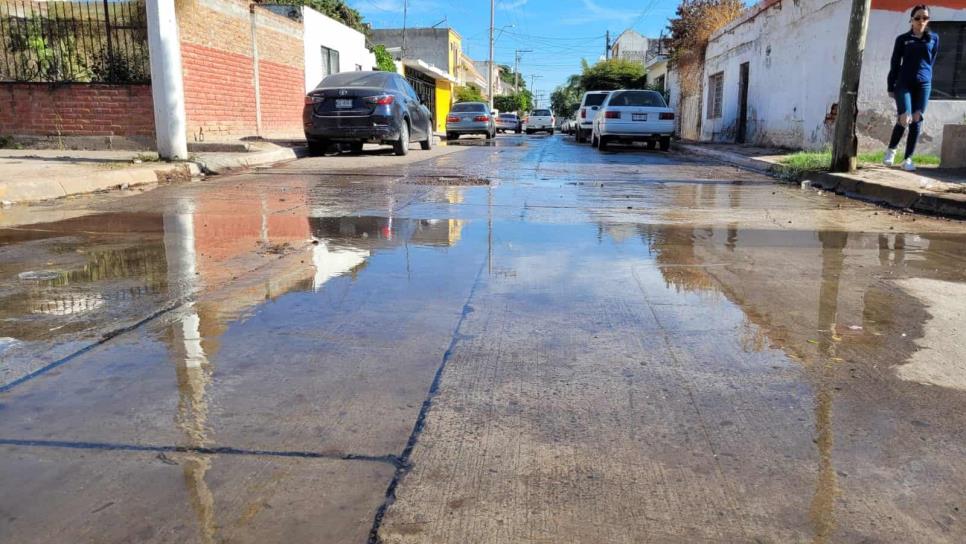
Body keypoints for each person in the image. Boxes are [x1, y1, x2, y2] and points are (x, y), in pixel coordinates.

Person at [884, 4, 939, 172]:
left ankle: (907, 158)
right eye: (918, 18)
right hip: (904, 83)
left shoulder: (934, 38)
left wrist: (925, 76)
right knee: (905, 117)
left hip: (924, 84)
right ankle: (891, 150)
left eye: (925, 18)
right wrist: (890, 85)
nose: (921, 21)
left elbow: (932, 60)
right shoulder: (902, 39)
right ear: (911, 20)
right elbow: (895, 63)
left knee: (916, 119)